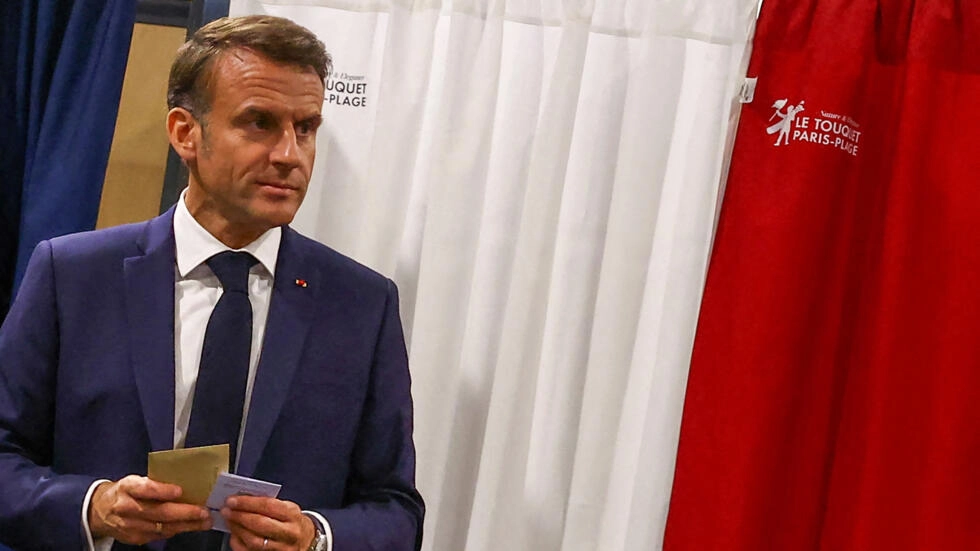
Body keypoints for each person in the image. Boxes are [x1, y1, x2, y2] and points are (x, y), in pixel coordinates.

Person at [0, 15, 423, 551]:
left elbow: (396, 510)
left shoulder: (362, 305)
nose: (289, 155)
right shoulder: (73, 276)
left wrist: (315, 537)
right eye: (259, 123)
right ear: (185, 133)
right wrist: (94, 507)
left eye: (305, 128)